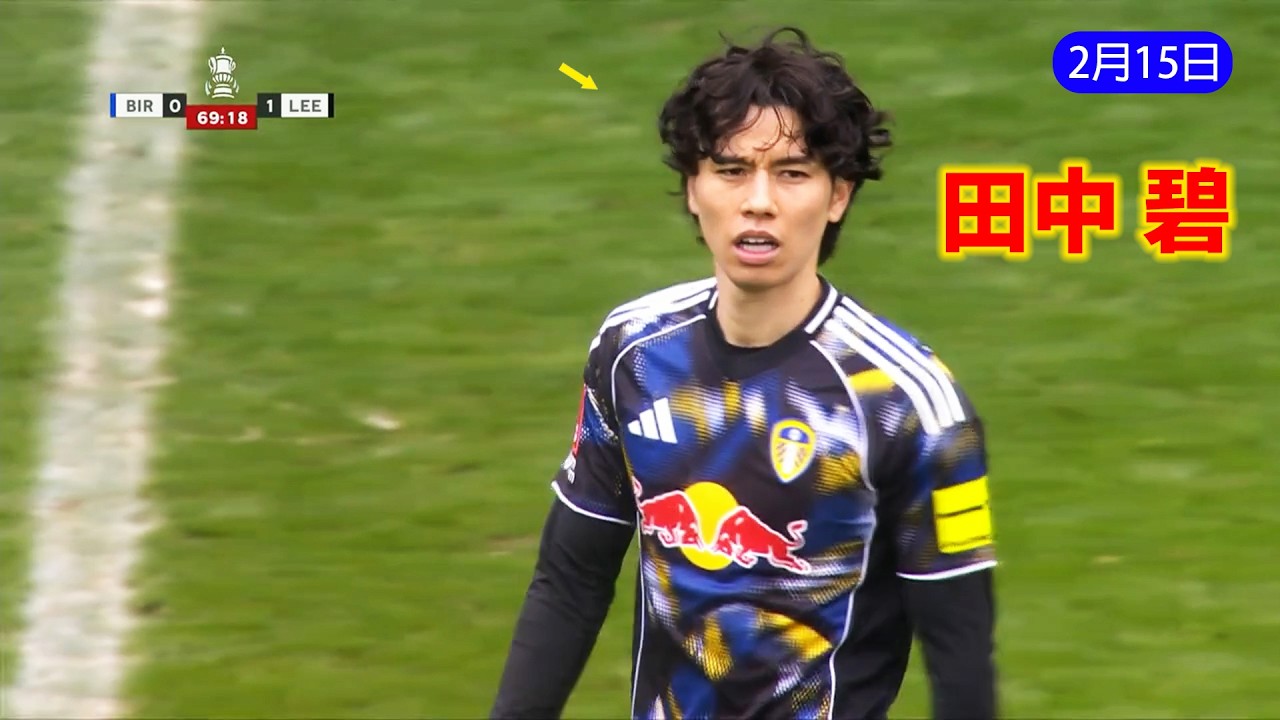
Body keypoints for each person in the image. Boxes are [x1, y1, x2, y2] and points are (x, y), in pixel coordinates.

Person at [490, 25, 998, 720]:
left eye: (792, 173)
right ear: (692, 188)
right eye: (731, 170)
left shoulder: (906, 404)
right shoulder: (633, 353)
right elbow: (570, 581)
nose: (759, 201)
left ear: (838, 195)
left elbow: (960, 658)